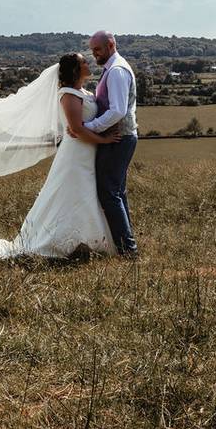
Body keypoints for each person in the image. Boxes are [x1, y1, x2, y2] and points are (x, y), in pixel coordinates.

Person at [0, 52, 122, 260]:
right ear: (76, 69)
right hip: (77, 152)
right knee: (74, 191)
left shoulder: (81, 91)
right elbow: (76, 129)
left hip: (87, 150)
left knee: (86, 192)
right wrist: (104, 140)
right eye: (84, 62)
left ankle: (90, 240)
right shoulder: (68, 94)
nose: (89, 63)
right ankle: (63, 240)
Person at [69, 30, 139, 258]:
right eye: (92, 51)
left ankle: (127, 250)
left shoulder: (117, 71)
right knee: (116, 191)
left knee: (109, 193)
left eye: (97, 49)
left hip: (119, 138)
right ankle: (127, 246)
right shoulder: (112, 68)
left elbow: (117, 110)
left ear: (110, 45)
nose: (94, 54)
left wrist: (88, 127)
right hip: (121, 137)